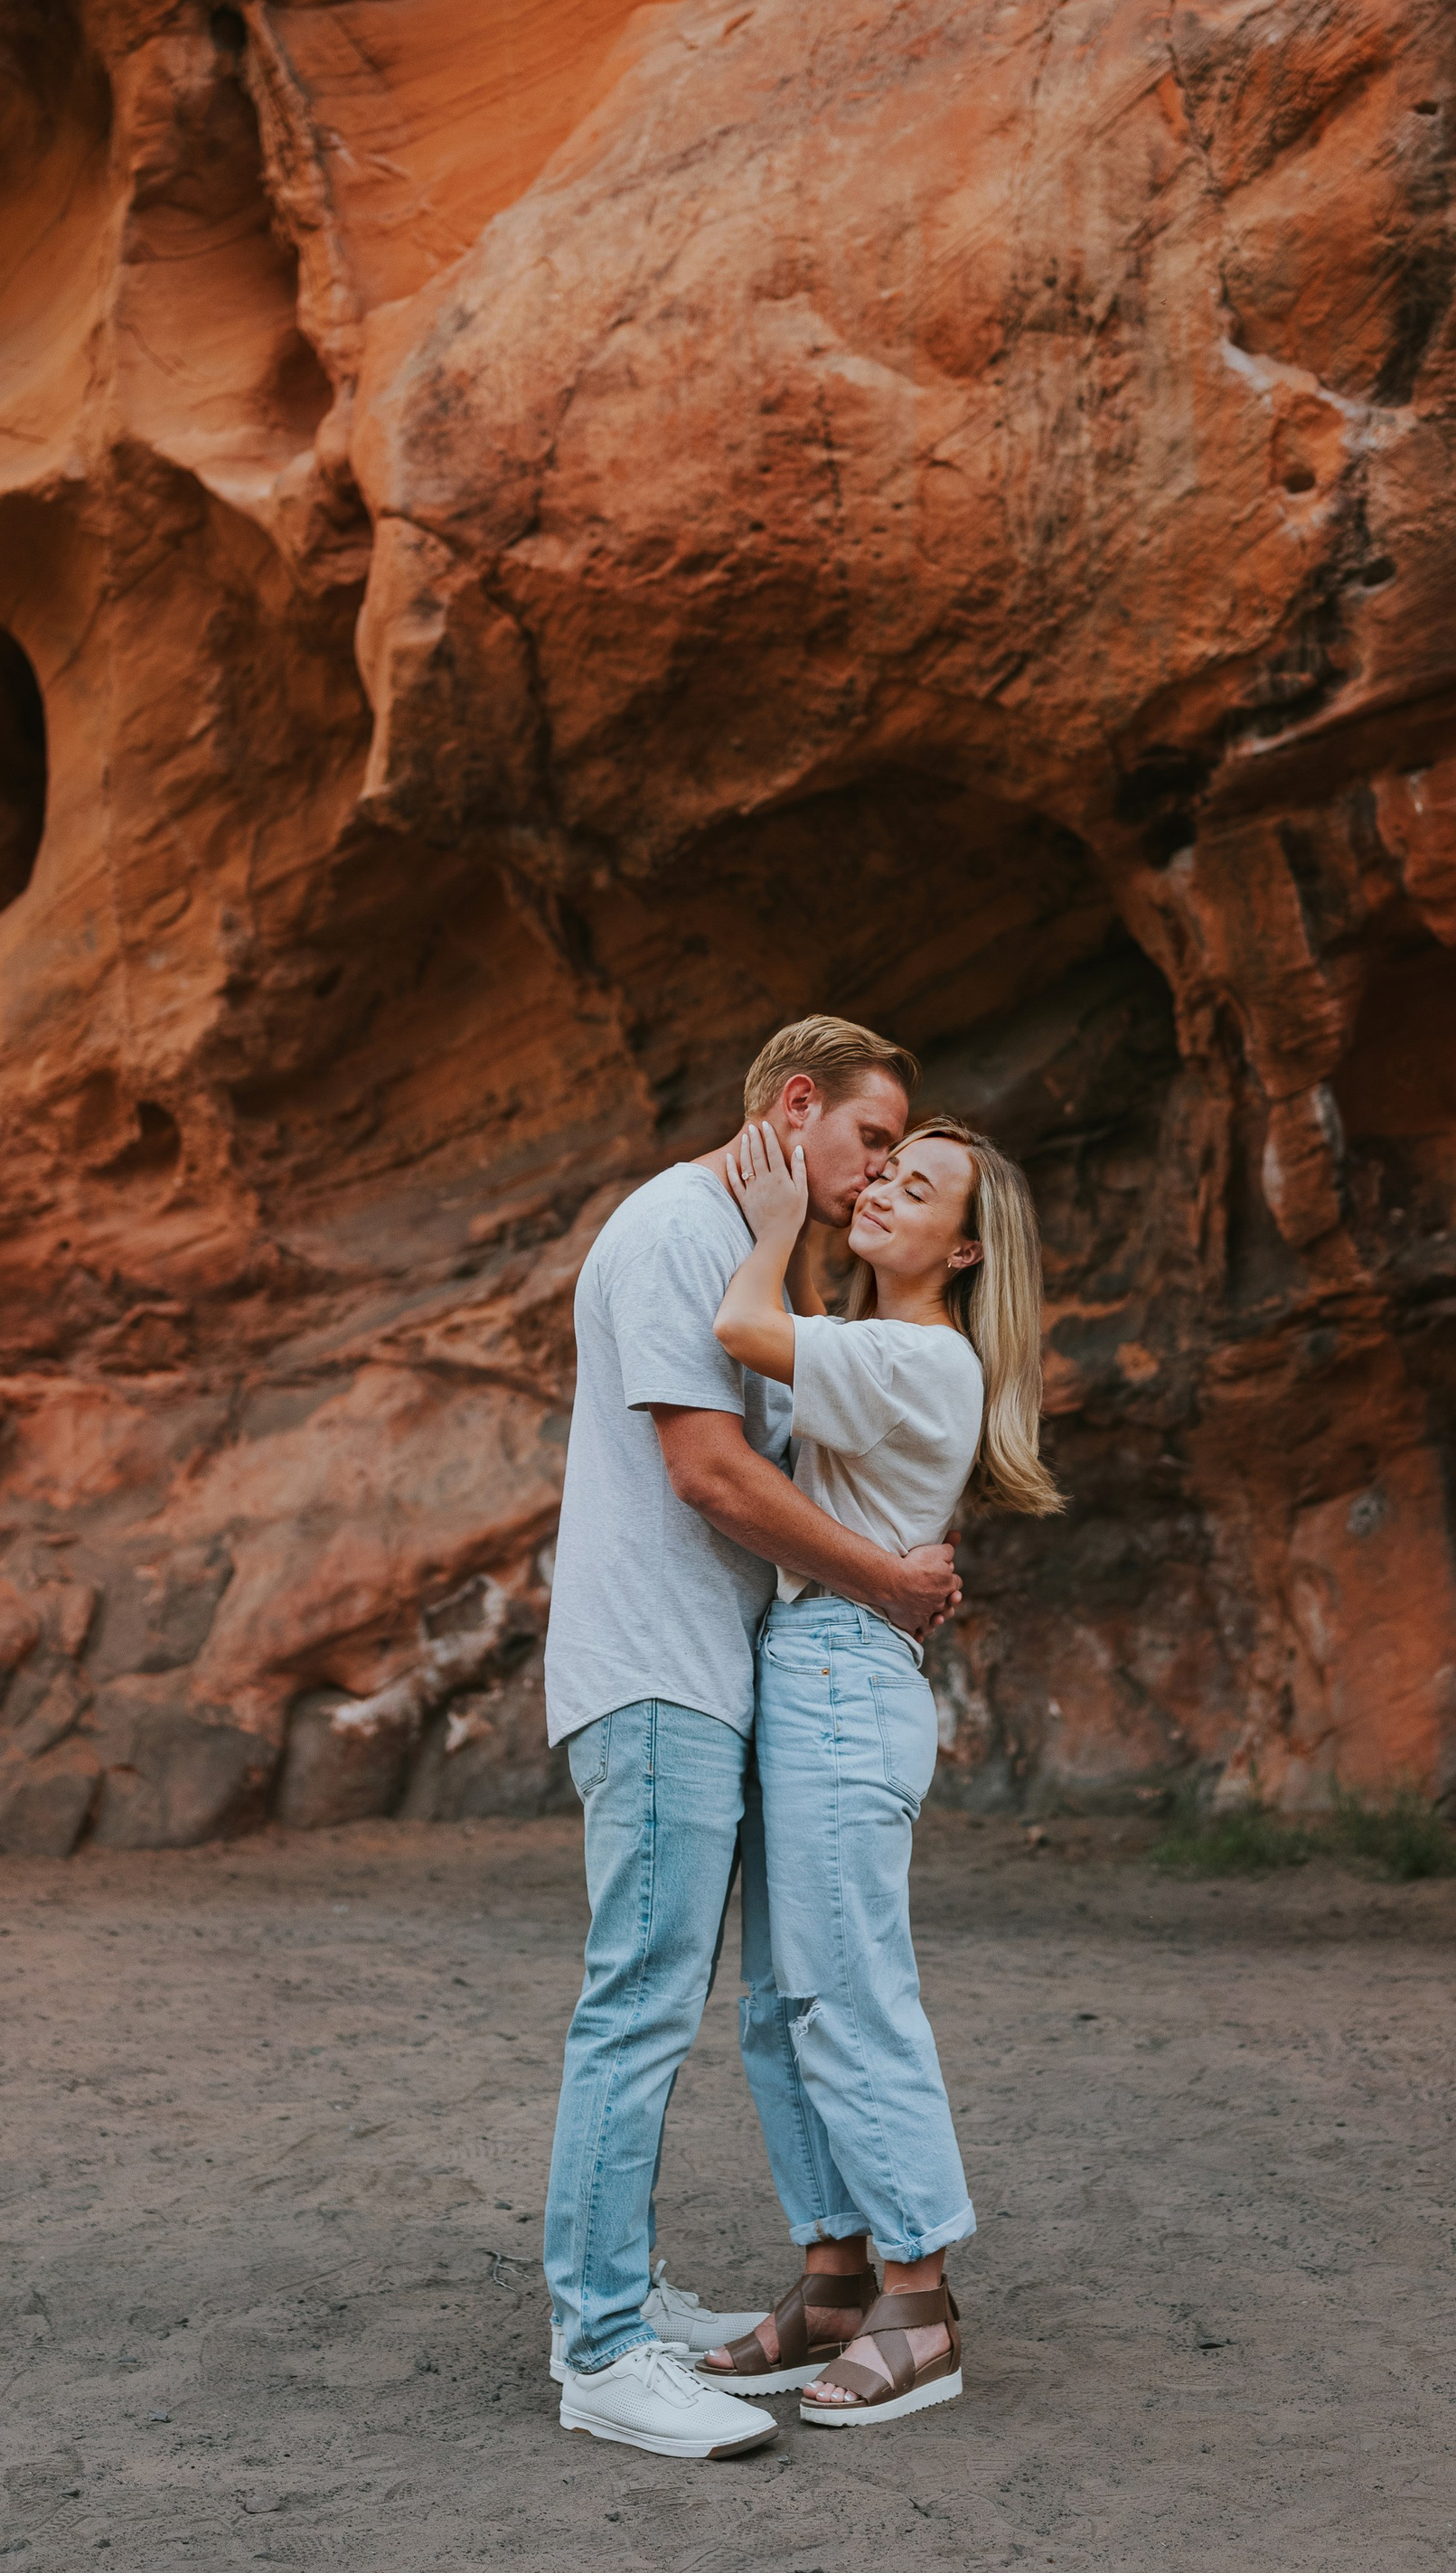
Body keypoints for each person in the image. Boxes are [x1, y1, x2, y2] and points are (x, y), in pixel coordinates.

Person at [544, 1017, 963, 2465]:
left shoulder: (752, 1257)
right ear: (798, 1107)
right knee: (642, 2005)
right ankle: (600, 2346)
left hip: (713, 1674)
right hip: (657, 1668)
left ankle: (624, 2296)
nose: (874, 1178)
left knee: (680, 1997)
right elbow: (707, 1468)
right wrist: (887, 1576)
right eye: (869, 1140)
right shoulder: (677, 1225)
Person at [697, 1111, 1060, 2428]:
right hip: (821, 1664)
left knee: (848, 1993)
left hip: (844, 1674)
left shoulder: (915, 1352)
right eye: (889, 1174)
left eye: (920, 1190)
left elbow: (745, 1333)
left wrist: (781, 1221)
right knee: (785, 2000)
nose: (889, 1195)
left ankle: (918, 2296)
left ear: (963, 1249)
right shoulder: (880, 1345)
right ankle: (835, 2271)